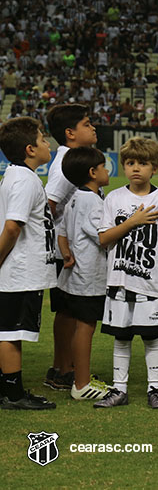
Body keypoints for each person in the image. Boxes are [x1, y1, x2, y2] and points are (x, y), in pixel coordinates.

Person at [94, 137, 158, 409]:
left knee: (152, 336)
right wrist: (133, 222)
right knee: (121, 336)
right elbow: (104, 238)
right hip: (119, 281)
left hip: (149, 283)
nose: (136, 168)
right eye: (130, 163)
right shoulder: (114, 198)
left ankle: (154, 389)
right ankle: (120, 389)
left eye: (143, 163)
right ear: (123, 166)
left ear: (154, 168)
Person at [0, 117, 57, 410]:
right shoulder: (23, 179)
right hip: (19, 271)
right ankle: (13, 394)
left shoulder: (20, 175)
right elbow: (12, 227)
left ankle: (8, 389)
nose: (47, 144)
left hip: (20, 270)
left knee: (12, 330)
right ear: (30, 149)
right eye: (42, 139)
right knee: (12, 332)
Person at [43, 103, 97, 391]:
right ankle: (64, 369)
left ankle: (61, 366)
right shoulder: (67, 163)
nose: (93, 127)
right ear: (70, 133)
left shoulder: (70, 158)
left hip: (66, 250)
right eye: (86, 124)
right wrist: (59, 239)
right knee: (69, 312)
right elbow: (49, 204)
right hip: (65, 253)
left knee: (67, 311)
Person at [56, 147, 111, 401]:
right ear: (92, 172)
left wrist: (67, 254)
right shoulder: (92, 201)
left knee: (79, 325)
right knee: (85, 327)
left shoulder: (75, 197)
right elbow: (103, 237)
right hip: (89, 277)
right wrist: (132, 223)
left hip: (73, 276)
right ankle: (82, 383)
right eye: (103, 167)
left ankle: (77, 376)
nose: (107, 171)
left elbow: (62, 233)